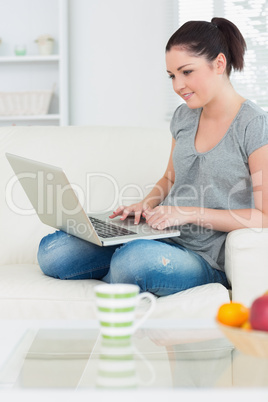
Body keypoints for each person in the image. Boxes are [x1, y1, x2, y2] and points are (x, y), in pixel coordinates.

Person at [37, 17, 268, 296]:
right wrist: (145, 205)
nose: (178, 85)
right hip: (160, 234)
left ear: (219, 64)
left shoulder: (253, 125)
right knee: (53, 251)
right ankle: (125, 266)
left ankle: (124, 267)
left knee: (133, 261)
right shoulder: (184, 116)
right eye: (172, 75)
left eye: (186, 72)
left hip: (204, 257)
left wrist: (187, 213)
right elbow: (170, 178)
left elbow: (263, 216)